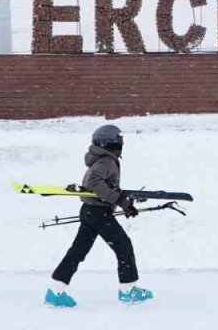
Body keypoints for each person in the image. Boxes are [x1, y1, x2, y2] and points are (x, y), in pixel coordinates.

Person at [45, 125, 152, 307]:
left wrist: (123, 201)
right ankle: (128, 290)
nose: (121, 144)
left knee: (78, 251)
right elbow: (93, 183)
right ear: (109, 142)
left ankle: (55, 292)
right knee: (123, 246)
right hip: (98, 213)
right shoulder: (106, 162)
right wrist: (123, 202)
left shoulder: (102, 159)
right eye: (118, 140)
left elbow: (102, 186)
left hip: (90, 211)